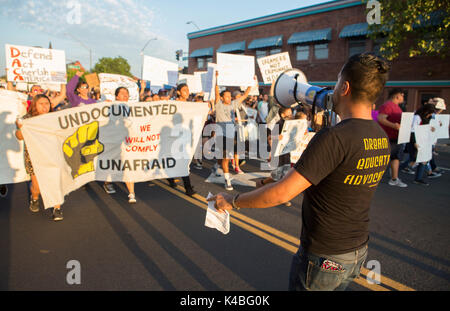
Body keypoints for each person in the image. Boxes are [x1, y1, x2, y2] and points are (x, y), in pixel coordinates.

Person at [209, 53, 391, 291]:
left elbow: (283, 194)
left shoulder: (334, 138)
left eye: (336, 82)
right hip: (357, 250)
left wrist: (233, 200)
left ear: (345, 87)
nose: (332, 89)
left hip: (325, 256)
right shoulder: (381, 137)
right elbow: (339, 179)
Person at [15, 94, 64, 221]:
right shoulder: (27, 119)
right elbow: (19, 137)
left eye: (47, 103)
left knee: (55, 183)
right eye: (41, 104)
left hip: (53, 155)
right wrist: (20, 128)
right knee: (37, 187)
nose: (44, 106)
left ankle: (57, 208)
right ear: (35, 105)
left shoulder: (54, 118)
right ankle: (35, 197)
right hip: (34, 156)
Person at [213, 72, 252, 190]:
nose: (229, 98)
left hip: (231, 134)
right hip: (221, 135)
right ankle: (227, 181)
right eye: (227, 96)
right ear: (221, 97)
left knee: (222, 158)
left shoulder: (233, 104)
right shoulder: (218, 104)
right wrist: (216, 78)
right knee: (225, 158)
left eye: (230, 96)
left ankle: (216, 166)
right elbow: (216, 92)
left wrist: (251, 83)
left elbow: (245, 95)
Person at [102, 87, 137, 203]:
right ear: (116, 96)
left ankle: (131, 193)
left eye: (127, 93)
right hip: (112, 142)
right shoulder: (110, 107)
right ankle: (107, 182)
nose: (125, 95)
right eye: (122, 93)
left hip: (126, 143)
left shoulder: (133, 108)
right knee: (112, 164)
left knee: (128, 166)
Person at [257, 107, 294, 207]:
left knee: (283, 175)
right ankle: (264, 185)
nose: (291, 115)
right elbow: (270, 138)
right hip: (278, 152)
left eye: (291, 113)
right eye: (289, 113)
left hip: (286, 151)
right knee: (279, 176)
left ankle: (265, 185)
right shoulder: (279, 124)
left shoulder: (291, 123)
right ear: (282, 115)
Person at [166, 83, 197, 196]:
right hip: (174, 136)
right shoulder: (174, 104)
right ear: (178, 92)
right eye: (184, 90)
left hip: (186, 136)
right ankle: (188, 188)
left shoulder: (190, 105)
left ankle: (170, 177)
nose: (187, 92)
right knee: (182, 161)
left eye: (188, 90)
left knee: (182, 161)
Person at [377, 88, 407, 187]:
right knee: (382, 159)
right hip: (387, 137)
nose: (403, 97)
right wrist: (394, 126)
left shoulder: (397, 107)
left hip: (396, 137)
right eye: (402, 95)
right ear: (397, 95)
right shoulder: (388, 105)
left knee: (395, 157)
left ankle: (394, 178)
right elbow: (380, 118)